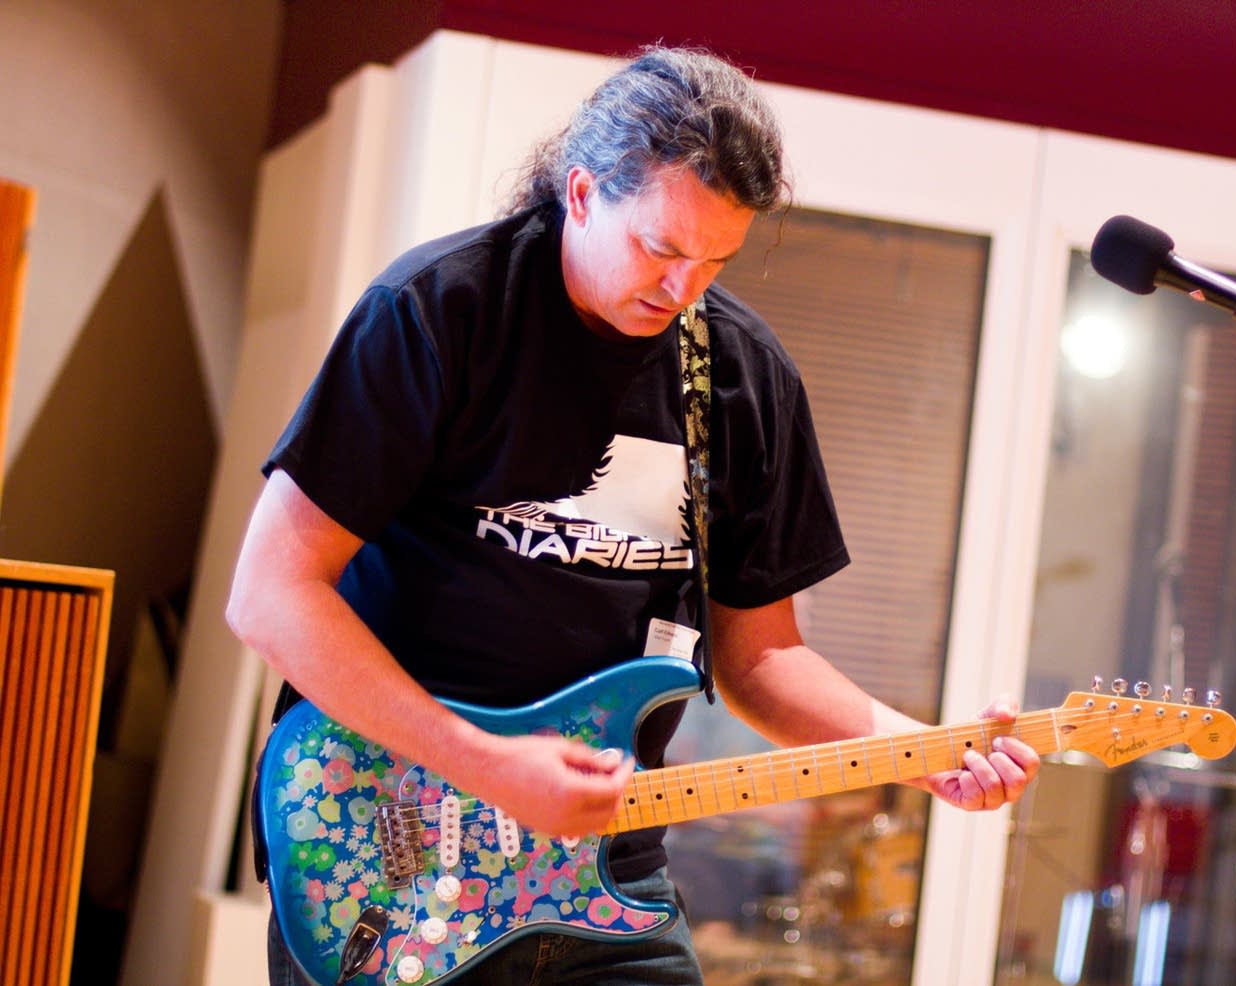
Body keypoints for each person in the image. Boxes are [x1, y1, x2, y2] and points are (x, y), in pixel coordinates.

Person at [227, 44, 1040, 986]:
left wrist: (919, 753)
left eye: (716, 259)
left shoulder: (739, 376)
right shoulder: (442, 311)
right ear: (580, 193)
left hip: (604, 866)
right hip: (390, 833)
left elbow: (761, 660)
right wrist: (482, 761)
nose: (682, 287)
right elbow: (270, 592)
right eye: (660, 247)